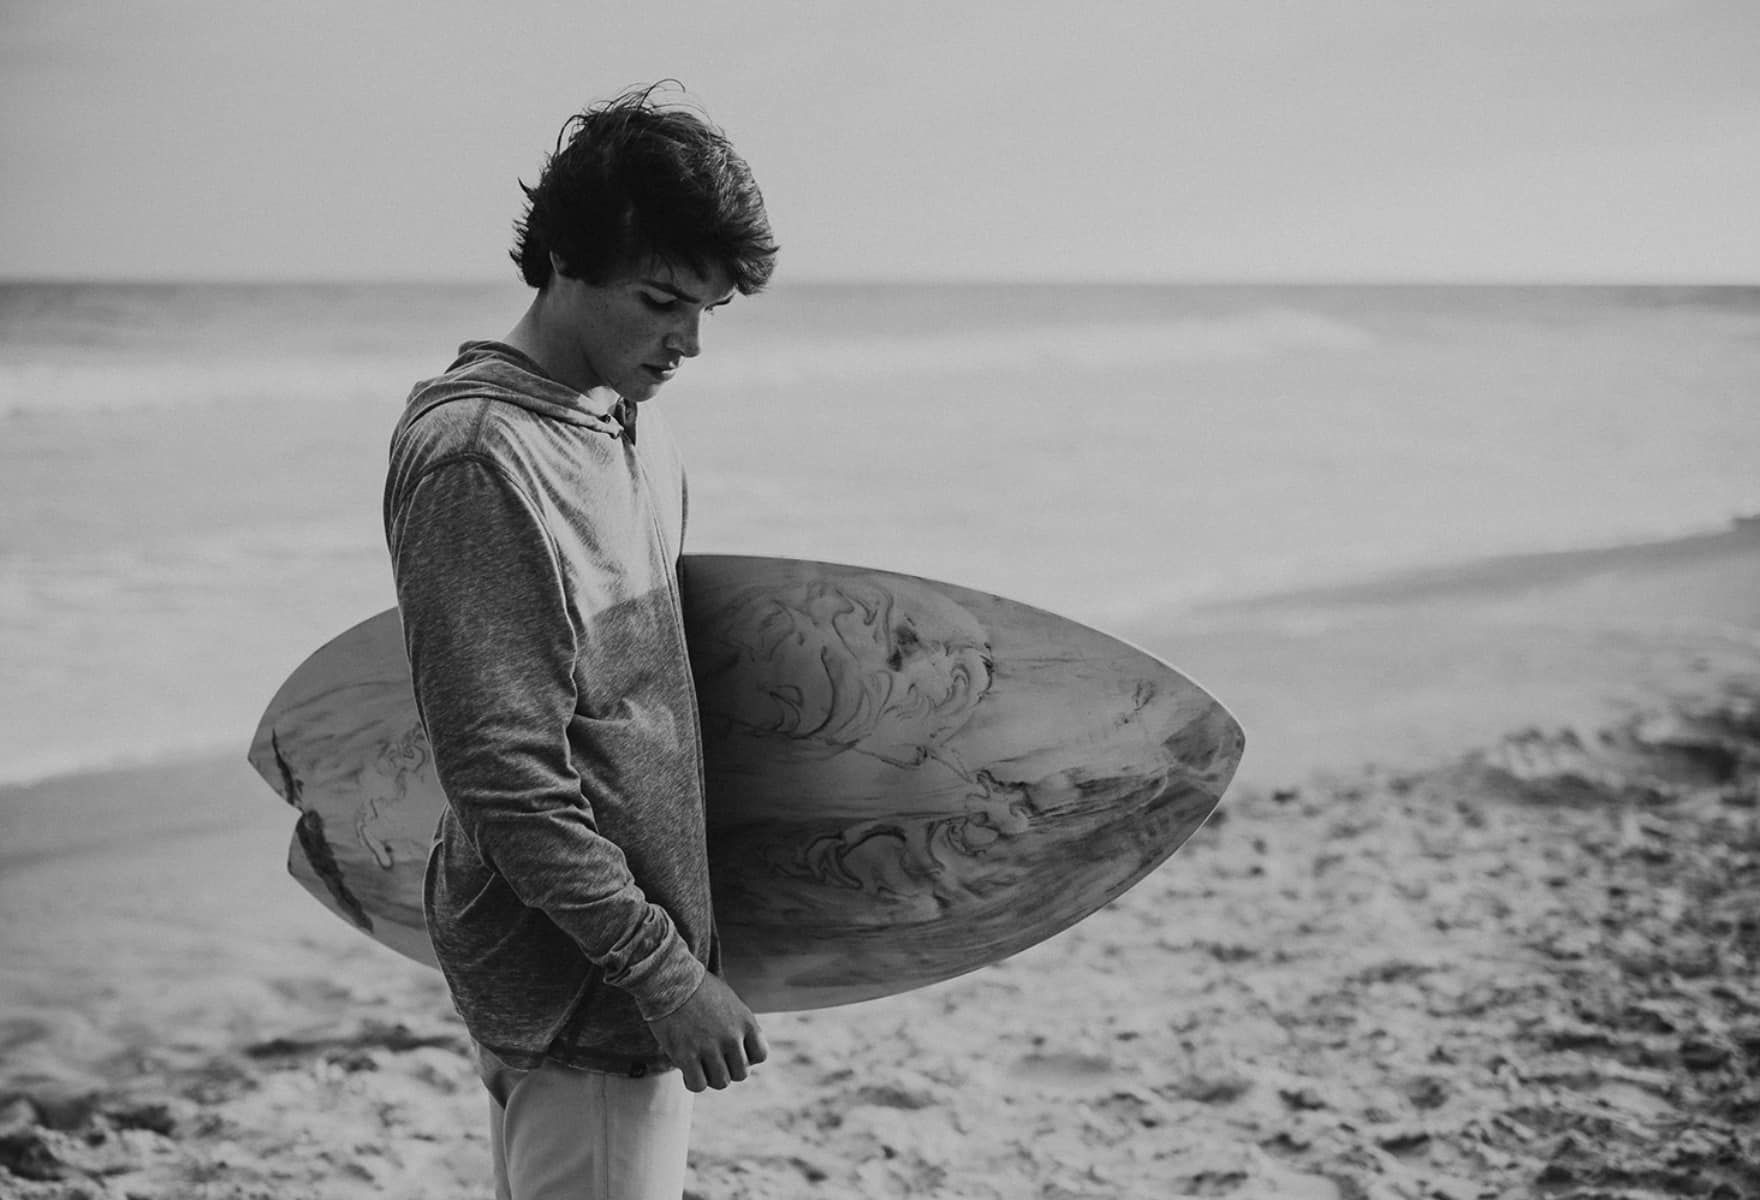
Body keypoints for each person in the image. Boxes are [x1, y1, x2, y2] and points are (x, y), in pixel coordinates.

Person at [381, 83, 779, 1199]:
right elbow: (504, 774)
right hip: (585, 994)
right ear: (563, 261)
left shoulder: (621, 423)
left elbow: (645, 707)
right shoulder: (481, 457)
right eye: (661, 301)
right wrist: (663, 976)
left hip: (597, 971)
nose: (689, 341)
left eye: (706, 309)